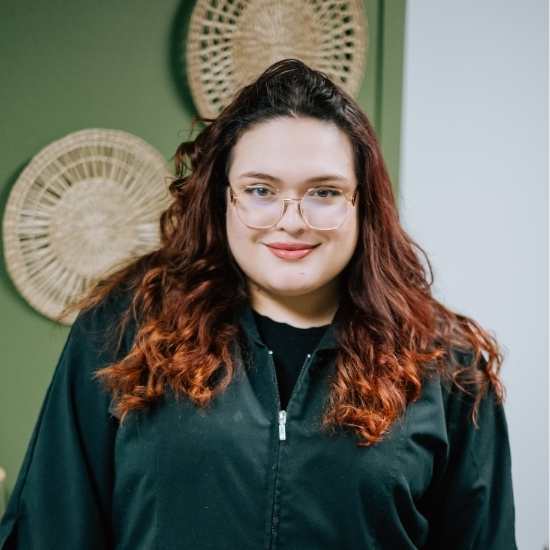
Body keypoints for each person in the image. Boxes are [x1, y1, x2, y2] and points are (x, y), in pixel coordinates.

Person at [0, 58, 517, 549]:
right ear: (223, 196)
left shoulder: (447, 366)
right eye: (261, 190)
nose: (291, 221)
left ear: (363, 203)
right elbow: (51, 529)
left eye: (324, 192)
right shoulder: (124, 329)